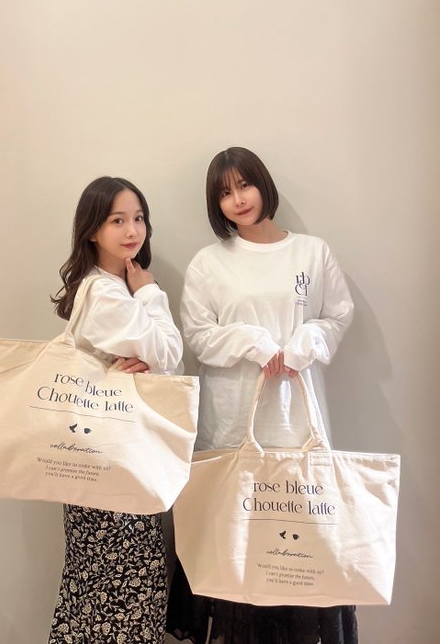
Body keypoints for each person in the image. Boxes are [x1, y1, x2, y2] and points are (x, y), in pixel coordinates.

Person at [167, 147, 358, 644]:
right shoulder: (209, 263)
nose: (237, 199)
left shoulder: (312, 253)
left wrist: (304, 343)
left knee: (296, 552)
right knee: (236, 551)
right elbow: (198, 335)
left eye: (244, 185)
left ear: (263, 184)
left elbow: (338, 314)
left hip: (297, 425)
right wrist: (254, 343)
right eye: (224, 193)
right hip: (233, 423)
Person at [48, 176, 183, 644]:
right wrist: (150, 292)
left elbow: (162, 362)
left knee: (98, 593)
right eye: (117, 220)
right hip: (111, 463)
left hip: (100, 460)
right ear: (92, 230)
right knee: (125, 592)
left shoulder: (108, 287)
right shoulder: (107, 293)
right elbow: (170, 351)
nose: (132, 230)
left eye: (139, 218)